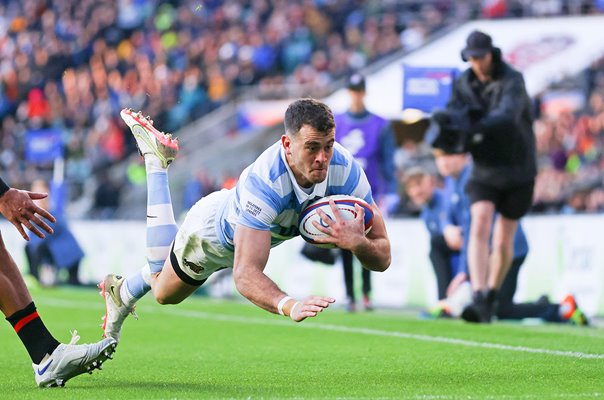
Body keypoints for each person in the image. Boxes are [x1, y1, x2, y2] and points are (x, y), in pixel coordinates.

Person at [100, 100, 391, 342]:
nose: (322, 158)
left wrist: (359, 243)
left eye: (329, 146)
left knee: (161, 277)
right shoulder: (266, 181)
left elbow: (383, 255)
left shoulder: (346, 170)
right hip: (211, 237)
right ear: (287, 144)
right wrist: (290, 305)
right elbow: (245, 275)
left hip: (236, 231)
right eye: (312, 147)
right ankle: (156, 163)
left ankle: (122, 290)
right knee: (163, 291)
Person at [444, 30, 538, 322]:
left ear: (491, 54)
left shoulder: (513, 79)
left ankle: (492, 294)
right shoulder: (463, 81)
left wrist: (474, 128)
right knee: (480, 221)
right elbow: (453, 111)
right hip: (484, 168)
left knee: (502, 238)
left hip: (518, 168)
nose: (476, 63)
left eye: (480, 57)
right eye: (471, 58)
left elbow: (507, 116)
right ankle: (479, 293)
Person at [433, 152, 588, 325]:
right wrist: (446, 227)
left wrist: (464, 272)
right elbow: (453, 219)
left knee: (499, 308)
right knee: (495, 306)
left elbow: (474, 229)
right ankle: (544, 305)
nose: (442, 162)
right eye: (438, 157)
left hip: (508, 249)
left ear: (462, 156)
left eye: (447, 155)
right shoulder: (453, 182)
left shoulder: (472, 178)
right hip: (492, 249)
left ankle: (563, 309)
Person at [0, 177, 116, 387]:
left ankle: (45, 355)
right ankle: (45, 355)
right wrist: (3, 194)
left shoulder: (55, 214)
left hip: (69, 257)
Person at [334, 73, 398, 311]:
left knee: (368, 241)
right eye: (352, 91)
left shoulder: (380, 125)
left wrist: (391, 191)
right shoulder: (337, 122)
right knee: (345, 243)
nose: (356, 95)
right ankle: (350, 295)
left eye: (358, 90)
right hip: (341, 192)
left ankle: (367, 294)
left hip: (369, 192)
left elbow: (388, 160)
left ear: (364, 92)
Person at [402, 167, 460, 302]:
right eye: (411, 187)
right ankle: (444, 300)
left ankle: (444, 300)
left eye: (418, 185)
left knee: (436, 245)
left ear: (430, 183)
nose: (415, 191)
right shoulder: (426, 213)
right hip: (455, 255)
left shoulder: (446, 200)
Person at [25, 179, 84, 286]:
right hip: (58, 253)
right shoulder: (35, 216)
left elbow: (42, 240)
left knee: (74, 284)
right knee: (28, 246)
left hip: (70, 255)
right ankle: (36, 277)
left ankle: (41, 277)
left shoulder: (52, 215)